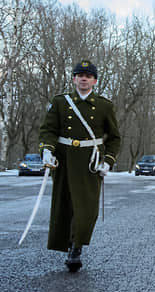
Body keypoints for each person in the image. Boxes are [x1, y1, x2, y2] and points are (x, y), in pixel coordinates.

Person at [38, 60, 122, 272]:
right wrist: (47, 150)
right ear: (74, 79)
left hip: (90, 163)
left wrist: (108, 161)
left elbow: (114, 137)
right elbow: (48, 130)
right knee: (64, 206)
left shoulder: (104, 106)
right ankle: (70, 246)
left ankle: (77, 245)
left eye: (88, 75)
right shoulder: (60, 102)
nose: (83, 78)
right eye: (79, 75)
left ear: (94, 80)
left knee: (86, 211)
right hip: (65, 160)